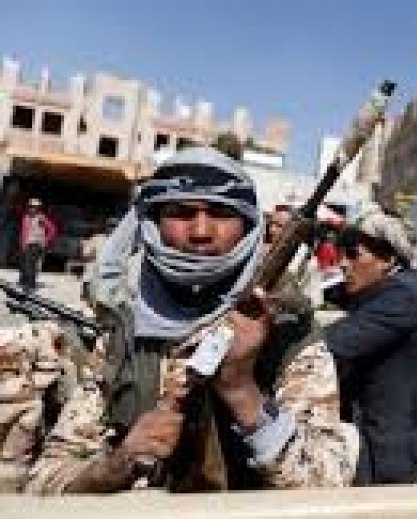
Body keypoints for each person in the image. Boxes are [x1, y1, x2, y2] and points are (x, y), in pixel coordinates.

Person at [25, 147, 358, 494]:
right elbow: (45, 481)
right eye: (182, 213)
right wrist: (116, 465)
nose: (201, 231)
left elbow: (328, 488)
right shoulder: (126, 322)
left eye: (221, 213)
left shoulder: (286, 326)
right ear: (153, 222)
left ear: (248, 226)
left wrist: (242, 391)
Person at [323, 208, 417, 484]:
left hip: (388, 455)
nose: (343, 264)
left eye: (354, 254)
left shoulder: (401, 296)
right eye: (341, 254)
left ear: (388, 259)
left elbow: (331, 346)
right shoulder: (392, 292)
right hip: (381, 445)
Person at [17, 198, 57, 292]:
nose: (32, 209)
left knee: (30, 265)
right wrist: (22, 243)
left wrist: (46, 240)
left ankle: (30, 285)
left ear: (38, 208)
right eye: (30, 207)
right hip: (27, 244)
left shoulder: (41, 218)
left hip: (36, 244)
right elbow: (24, 231)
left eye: (34, 207)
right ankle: (23, 281)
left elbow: (52, 229)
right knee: (23, 264)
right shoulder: (26, 217)